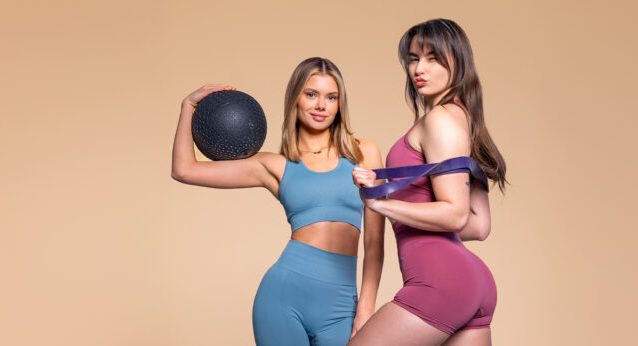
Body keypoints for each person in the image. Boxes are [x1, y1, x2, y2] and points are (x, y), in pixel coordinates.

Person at [171, 57, 385, 345]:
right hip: (283, 298)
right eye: (311, 94)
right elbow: (184, 170)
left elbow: (374, 240)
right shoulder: (275, 165)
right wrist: (188, 107)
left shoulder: (364, 153)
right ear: (295, 98)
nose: (321, 105)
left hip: (341, 306)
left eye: (331, 97)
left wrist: (366, 308)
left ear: (339, 104)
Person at [349, 19, 507, 345]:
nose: (419, 68)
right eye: (413, 58)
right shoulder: (464, 119)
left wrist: (381, 203)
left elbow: (456, 214)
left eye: (433, 57)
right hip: (471, 284)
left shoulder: (441, 120)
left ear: (458, 61)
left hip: (440, 282)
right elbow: (479, 226)